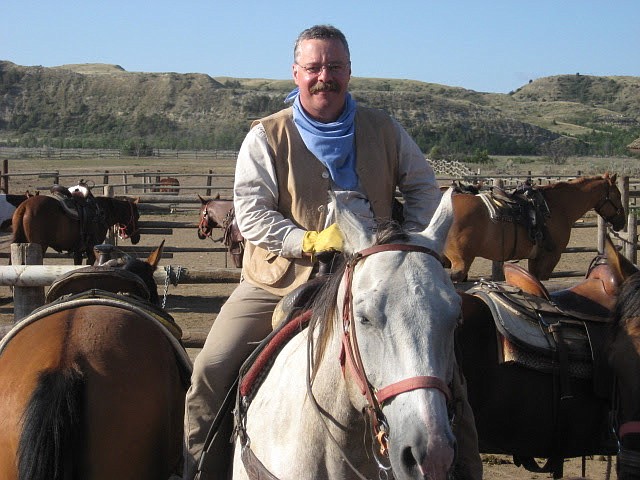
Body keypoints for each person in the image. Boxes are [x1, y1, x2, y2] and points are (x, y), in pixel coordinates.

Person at [183, 24, 481, 479]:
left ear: (349, 72)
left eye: (335, 67)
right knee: (211, 370)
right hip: (280, 280)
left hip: (375, 278)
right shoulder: (266, 136)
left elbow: (422, 186)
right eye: (314, 67)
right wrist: (306, 242)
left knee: (447, 379)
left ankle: (462, 468)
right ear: (296, 73)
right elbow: (252, 210)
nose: (325, 76)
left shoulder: (384, 128)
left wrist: (409, 245)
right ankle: (198, 469)